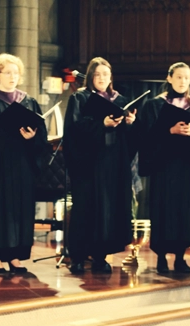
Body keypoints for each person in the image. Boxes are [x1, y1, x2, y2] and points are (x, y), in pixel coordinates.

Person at [0, 53, 49, 273]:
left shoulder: (28, 101)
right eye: (8, 72)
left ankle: (15, 256)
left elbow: (41, 134)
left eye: (16, 73)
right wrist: (9, 132)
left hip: (23, 164)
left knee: (20, 211)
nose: (12, 76)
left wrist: (32, 136)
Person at [139, 62, 190, 274]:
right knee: (163, 211)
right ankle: (162, 258)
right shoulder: (154, 105)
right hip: (163, 168)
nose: (183, 81)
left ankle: (181, 257)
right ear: (170, 78)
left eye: (186, 77)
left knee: (184, 213)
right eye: (179, 77)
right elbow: (144, 137)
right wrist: (169, 131)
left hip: (186, 170)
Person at [63, 56, 136, 274]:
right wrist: (100, 124)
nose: (102, 78)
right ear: (91, 77)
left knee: (108, 212)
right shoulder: (80, 98)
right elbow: (74, 130)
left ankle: (100, 256)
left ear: (111, 77)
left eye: (106, 74)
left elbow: (130, 140)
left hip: (113, 165)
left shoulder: (120, 100)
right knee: (85, 210)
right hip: (88, 165)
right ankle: (77, 256)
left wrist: (130, 124)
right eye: (97, 74)